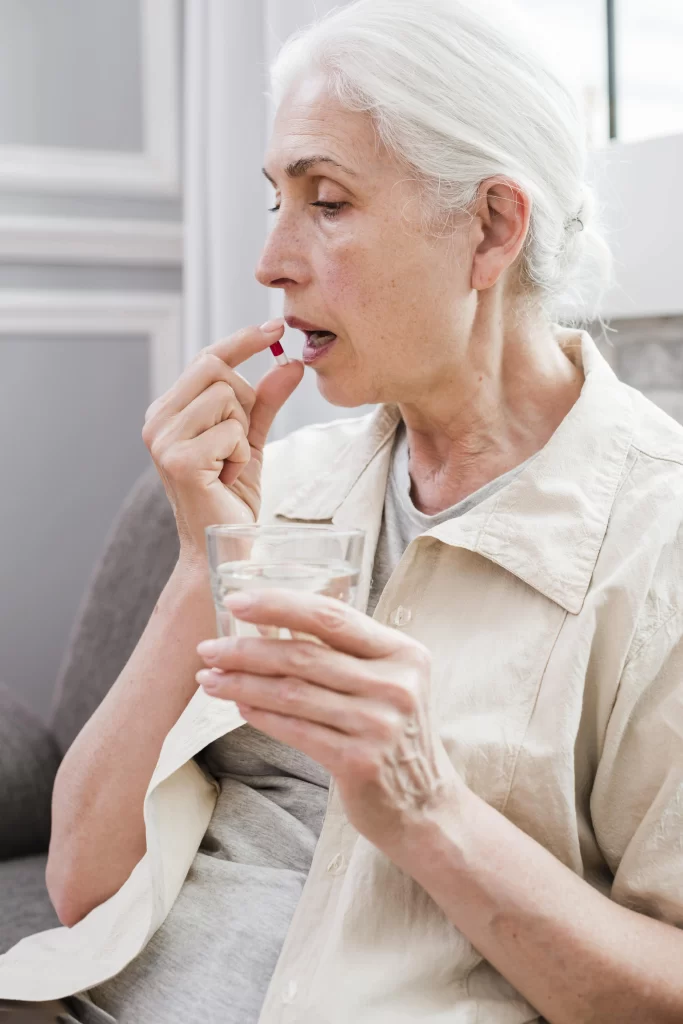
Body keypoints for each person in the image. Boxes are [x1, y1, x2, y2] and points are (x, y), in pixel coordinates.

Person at [1, 0, 683, 1021]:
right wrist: (201, 559)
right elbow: (83, 883)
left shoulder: (656, 536)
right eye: (273, 199)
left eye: (325, 201)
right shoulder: (284, 481)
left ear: (491, 226)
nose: (270, 261)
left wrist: (426, 807)